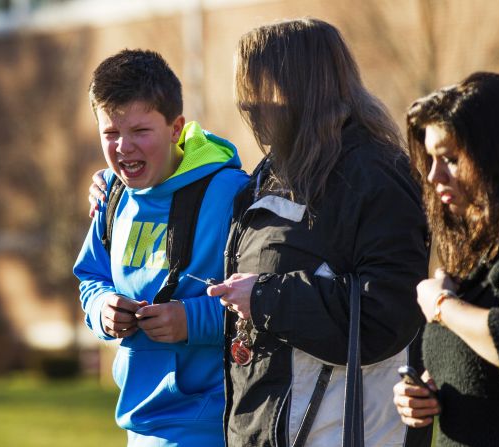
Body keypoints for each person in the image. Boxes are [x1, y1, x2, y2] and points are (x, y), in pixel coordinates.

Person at [205, 18, 430, 447]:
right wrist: (118, 187)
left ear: (302, 88)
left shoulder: (375, 175)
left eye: (259, 90)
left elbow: (388, 314)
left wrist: (266, 297)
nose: (248, 106)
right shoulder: (272, 172)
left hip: (348, 431)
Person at [73, 49, 248, 447]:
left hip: (216, 426)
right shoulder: (112, 195)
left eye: (140, 131)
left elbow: (270, 297)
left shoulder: (229, 193)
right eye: (111, 134)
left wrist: (192, 321)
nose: (123, 148)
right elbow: (91, 277)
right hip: (139, 427)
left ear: (176, 128)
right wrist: (103, 310)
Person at [392, 72, 499, 446]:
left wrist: (440, 304)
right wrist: (424, 397)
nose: (433, 175)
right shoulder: (479, 250)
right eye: (430, 159)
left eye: (451, 159)